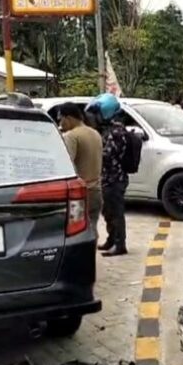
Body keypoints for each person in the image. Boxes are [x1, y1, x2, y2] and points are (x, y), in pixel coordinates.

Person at [86, 93, 129, 257]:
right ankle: (112, 239)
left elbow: (108, 155)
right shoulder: (108, 130)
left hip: (115, 179)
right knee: (108, 212)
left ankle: (120, 244)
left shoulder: (116, 132)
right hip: (107, 179)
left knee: (116, 212)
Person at [58, 102, 103, 238]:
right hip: (96, 190)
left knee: (77, 233)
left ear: (69, 118)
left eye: (61, 119)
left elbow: (66, 165)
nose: (60, 123)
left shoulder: (71, 136)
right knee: (92, 228)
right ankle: (91, 258)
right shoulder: (95, 133)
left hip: (80, 194)